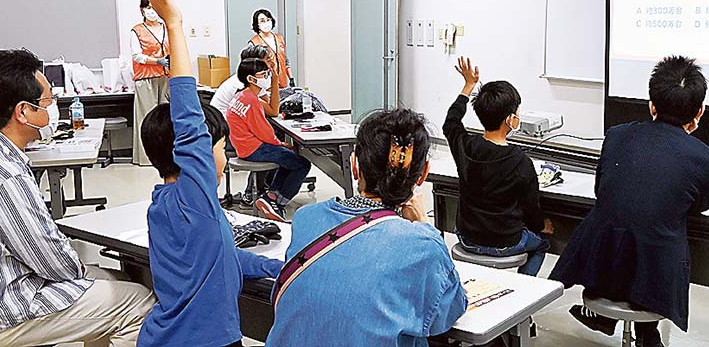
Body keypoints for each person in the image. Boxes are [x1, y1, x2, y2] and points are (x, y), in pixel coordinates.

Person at [132, 0, 283, 347]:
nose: (223, 155)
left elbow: (222, 258)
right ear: (193, 153)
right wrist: (175, 24)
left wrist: (283, 267)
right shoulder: (194, 195)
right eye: (218, 146)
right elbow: (185, 106)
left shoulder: (163, 205)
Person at [550, 56, 709, 347]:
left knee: (632, 226)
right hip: (656, 277)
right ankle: (645, 330)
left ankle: (624, 323)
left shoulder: (616, 136)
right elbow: (700, 207)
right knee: (662, 233)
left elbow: (601, 189)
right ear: (700, 111)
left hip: (600, 262)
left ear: (651, 105)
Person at [0, 48, 155, 347]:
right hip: (6, 306)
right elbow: (50, 259)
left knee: (115, 280)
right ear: (23, 111)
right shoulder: (7, 175)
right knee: (140, 302)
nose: (53, 108)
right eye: (48, 101)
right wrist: (78, 270)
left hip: (6, 281)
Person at [265, 108, 467, 347]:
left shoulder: (306, 218)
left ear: (353, 165)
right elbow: (447, 314)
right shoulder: (422, 242)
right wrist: (424, 225)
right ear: (423, 174)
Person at [442, 57, 552, 276]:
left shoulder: (465, 146)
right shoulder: (520, 161)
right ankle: (523, 300)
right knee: (542, 244)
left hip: (467, 238)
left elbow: (451, 122)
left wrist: (468, 86)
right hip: (506, 242)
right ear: (510, 120)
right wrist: (542, 226)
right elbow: (531, 210)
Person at [227, 58, 310, 222]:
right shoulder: (251, 100)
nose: (267, 76)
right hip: (253, 148)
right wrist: (281, 144)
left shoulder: (244, 95)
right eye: (264, 74)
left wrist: (274, 79)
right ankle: (278, 202)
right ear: (251, 79)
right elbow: (264, 132)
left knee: (288, 160)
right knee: (302, 164)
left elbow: (272, 110)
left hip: (244, 146)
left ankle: (271, 196)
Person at [131, 0, 171, 165]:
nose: (152, 11)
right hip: (146, 78)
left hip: (166, 76)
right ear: (142, 10)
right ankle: (145, 158)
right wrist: (156, 61)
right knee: (146, 118)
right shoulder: (137, 30)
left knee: (165, 118)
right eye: (148, 8)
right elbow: (136, 56)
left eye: (154, 8)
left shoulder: (166, 28)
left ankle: (165, 156)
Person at [210, 44, 275, 117]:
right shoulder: (243, 84)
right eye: (268, 61)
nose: (272, 64)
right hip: (225, 124)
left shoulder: (255, 79)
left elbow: (267, 103)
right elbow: (272, 111)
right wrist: (275, 81)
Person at [248, 9, 291, 89]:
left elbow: (285, 61)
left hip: (282, 83)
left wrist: (291, 78)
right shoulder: (254, 43)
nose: (266, 23)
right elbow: (250, 67)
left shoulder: (279, 38)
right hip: (265, 85)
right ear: (257, 24)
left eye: (268, 20)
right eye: (262, 21)